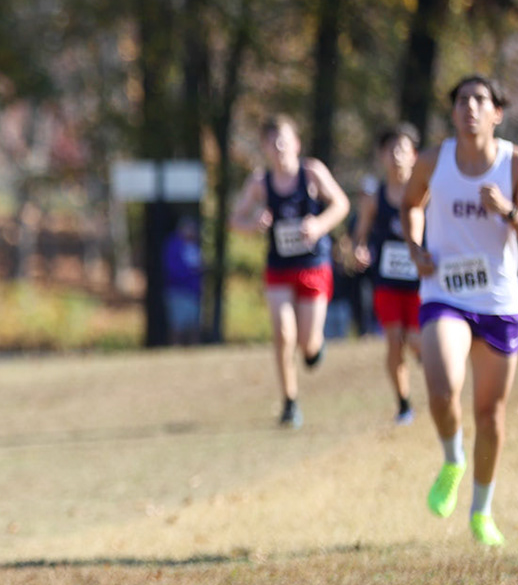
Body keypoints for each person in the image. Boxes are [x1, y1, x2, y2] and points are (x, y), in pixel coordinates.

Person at [402, 75, 518, 546]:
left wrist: (508, 211)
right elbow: (411, 204)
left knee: (490, 415)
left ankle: (482, 511)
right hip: (444, 294)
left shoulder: (517, 163)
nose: (470, 107)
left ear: (496, 113)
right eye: (462, 100)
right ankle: (453, 458)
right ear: (453, 113)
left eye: (480, 100)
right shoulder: (433, 160)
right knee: (443, 387)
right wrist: (415, 245)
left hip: (497, 301)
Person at [228, 115, 352, 428]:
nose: (279, 146)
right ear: (265, 148)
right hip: (279, 268)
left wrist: (319, 225)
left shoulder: (312, 172)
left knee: (307, 344)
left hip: (313, 265)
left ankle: (314, 349)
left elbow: (341, 204)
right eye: (272, 141)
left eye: (284, 139)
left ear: (296, 144)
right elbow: (234, 221)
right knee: (283, 335)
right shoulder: (259, 183)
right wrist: (253, 224)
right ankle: (289, 402)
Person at [348, 124, 424, 424]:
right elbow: (359, 237)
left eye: (402, 149)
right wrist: (359, 251)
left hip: (421, 282)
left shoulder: (426, 193)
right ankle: (404, 404)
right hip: (387, 282)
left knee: (417, 341)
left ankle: (435, 377)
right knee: (394, 340)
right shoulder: (374, 198)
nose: (396, 156)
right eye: (390, 150)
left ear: (414, 155)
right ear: (381, 156)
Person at [161, 214, 204, 346]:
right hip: (178, 291)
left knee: (193, 325)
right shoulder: (173, 245)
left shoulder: (195, 246)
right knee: (177, 325)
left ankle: (193, 350)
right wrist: (190, 272)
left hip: (193, 292)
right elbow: (171, 269)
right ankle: (175, 348)